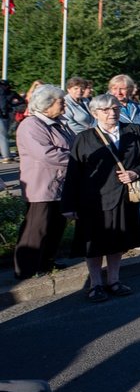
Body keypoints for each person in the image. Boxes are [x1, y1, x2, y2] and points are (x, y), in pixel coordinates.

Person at [60, 93, 140, 301]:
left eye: (115, 109)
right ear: (95, 113)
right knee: (94, 244)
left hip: (123, 197)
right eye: (106, 110)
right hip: (93, 200)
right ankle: (95, 284)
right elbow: (74, 172)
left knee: (118, 240)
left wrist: (135, 172)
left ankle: (114, 280)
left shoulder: (134, 131)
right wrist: (69, 204)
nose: (112, 113)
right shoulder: (84, 138)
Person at [14, 86, 75, 279]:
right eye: (61, 101)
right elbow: (46, 154)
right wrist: (78, 158)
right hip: (41, 185)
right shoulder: (31, 125)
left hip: (61, 184)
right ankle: (25, 269)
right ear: (46, 105)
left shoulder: (59, 123)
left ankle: (46, 262)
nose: (64, 104)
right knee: (37, 227)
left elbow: (74, 144)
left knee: (56, 226)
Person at [108, 75, 140, 146]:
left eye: (122, 89)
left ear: (130, 90)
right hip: (118, 153)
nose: (119, 92)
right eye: (115, 89)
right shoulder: (105, 109)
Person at [0, 79, 25, 163]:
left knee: (3, 136)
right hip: (8, 115)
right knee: (4, 135)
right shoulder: (12, 93)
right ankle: (6, 155)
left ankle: (6, 155)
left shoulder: (3, 92)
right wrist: (12, 106)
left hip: (4, 115)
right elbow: (22, 101)